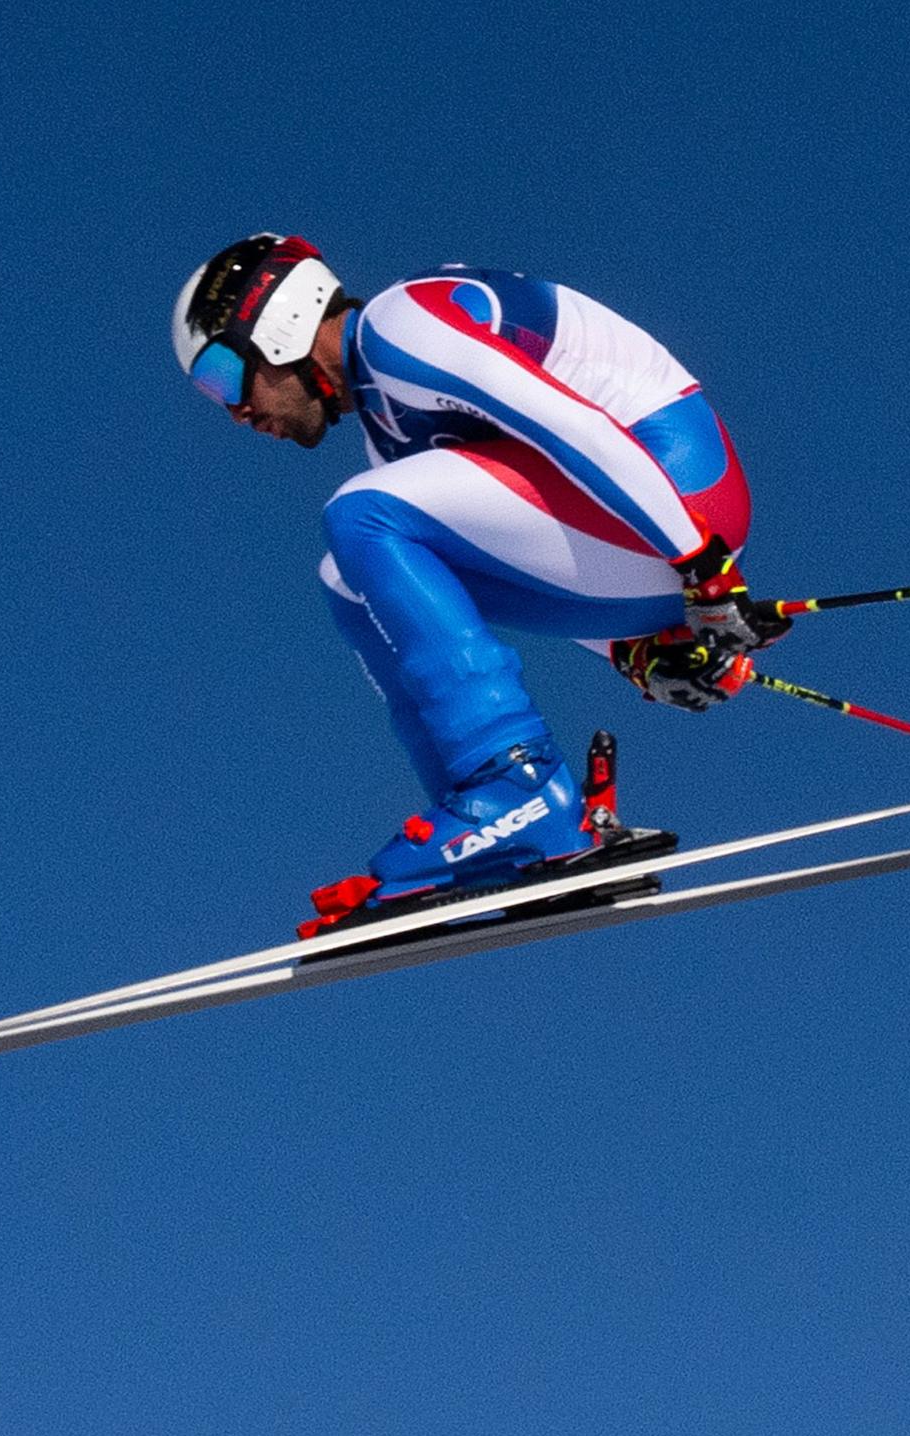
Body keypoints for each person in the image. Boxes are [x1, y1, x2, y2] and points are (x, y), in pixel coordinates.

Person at [171, 235, 786, 929]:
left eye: (223, 376)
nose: (235, 412)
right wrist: (634, 650)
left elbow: (568, 424)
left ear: (278, 323)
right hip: (636, 533)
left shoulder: (403, 324)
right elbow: (514, 537)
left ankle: (518, 790)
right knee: (346, 577)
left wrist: (701, 563)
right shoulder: (389, 429)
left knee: (363, 515)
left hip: (679, 490)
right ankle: (486, 829)